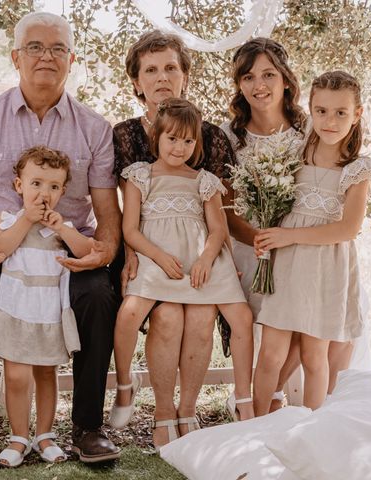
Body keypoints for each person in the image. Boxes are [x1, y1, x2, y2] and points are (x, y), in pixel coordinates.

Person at [0, 12, 121, 470]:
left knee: (96, 295)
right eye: (35, 47)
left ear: (71, 60)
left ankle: (88, 428)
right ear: (16, 57)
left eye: (57, 49)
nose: (45, 56)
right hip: (1, 251)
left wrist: (104, 251)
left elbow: (107, 215)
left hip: (64, 255)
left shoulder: (93, 128)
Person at [111, 30, 237, 449]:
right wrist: (131, 253)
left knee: (199, 317)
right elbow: (120, 208)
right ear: (136, 81)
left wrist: (216, 258)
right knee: (167, 316)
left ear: (185, 75)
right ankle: (162, 414)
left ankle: (188, 410)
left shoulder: (211, 136)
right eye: (151, 69)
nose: (162, 77)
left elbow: (223, 213)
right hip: (148, 256)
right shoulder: (125, 135)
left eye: (170, 67)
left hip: (198, 257)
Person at [252, 71, 371, 413]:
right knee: (271, 353)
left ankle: (310, 427)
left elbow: (348, 229)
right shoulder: (293, 155)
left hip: (326, 267)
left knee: (315, 355)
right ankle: (255, 422)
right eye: (322, 111)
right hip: (287, 264)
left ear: (357, 115)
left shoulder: (357, 169)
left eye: (341, 112)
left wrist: (287, 235)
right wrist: (268, 235)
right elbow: (275, 204)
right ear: (310, 109)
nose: (330, 121)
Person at [0, 146, 87, 467]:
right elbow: (1, 247)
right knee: (16, 376)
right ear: (19, 186)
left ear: (63, 191)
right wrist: (27, 218)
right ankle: (18, 437)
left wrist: (63, 227)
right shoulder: (8, 219)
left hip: (48, 313)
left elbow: (82, 249)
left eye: (53, 187)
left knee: (46, 374)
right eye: (36, 183)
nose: (44, 193)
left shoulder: (59, 226)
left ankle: (45, 435)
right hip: (16, 312)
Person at [220, 37, 307, 413]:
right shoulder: (227, 137)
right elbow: (225, 208)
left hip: (301, 245)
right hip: (249, 249)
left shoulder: (309, 133)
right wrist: (260, 239)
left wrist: (289, 239)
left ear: (286, 79)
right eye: (249, 77)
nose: (260, 85)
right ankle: (257, 400)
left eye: (269, 74)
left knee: (313, 308)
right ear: (239, 86)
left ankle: (272, 392)